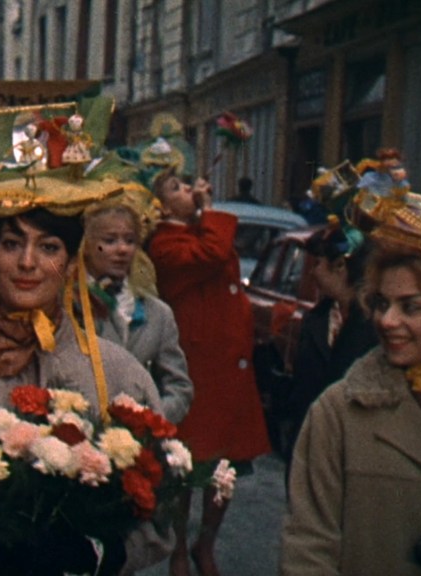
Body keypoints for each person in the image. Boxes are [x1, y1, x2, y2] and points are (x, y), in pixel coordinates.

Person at [0, 200, 163, 574]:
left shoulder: (118, 374)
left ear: (73, 263)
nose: (28, 262)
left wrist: (103, 552)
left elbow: (159, 506)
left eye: (49, 247)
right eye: (11, 244)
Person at [281, 230, 421, 574]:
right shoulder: (339, 412)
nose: (387, 321)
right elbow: (307, 550)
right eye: (381, 303)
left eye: (411, 307)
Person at [147, 168, 270, 576]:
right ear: (161, 205)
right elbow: (213, 254)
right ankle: (180, 548)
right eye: (177, 188)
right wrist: (211, 210)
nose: (190, 191)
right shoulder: (164, 243)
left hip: (228, 365)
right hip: (197, 369)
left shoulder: (200, 232)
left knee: (224, 466)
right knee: (188, 465)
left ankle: (206, 543)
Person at [81, 201, 193, 424]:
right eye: (110, 240)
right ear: (87, 245)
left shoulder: (158, 313)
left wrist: (151, 420)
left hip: (138, 445)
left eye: (130, 241)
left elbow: (180, 387)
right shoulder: (69, 305)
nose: (122, 249)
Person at [283, 224, 377, 465]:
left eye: (318, 264)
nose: (313, 272)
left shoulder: (375, 325)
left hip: (357, 452)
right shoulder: (316, 320)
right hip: (310, 448)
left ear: (340, 266)